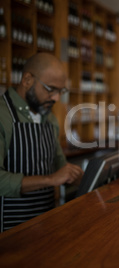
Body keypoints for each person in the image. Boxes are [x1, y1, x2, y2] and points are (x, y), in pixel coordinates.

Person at [0, 53, 83, 232]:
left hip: (45, 222)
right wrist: (50, 179)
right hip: (9, 229)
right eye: (50, 89)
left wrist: (92, 179)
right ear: (27, 80)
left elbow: (60, 164)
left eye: (60, 91)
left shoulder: (49, 118)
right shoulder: (3, 115)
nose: (56, 98)